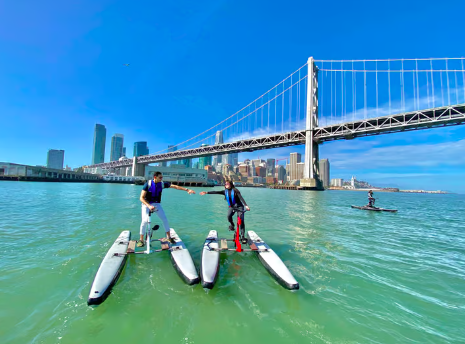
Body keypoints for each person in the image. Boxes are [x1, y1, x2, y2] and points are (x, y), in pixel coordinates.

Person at [138, 171, 195, 247]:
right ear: (155, 177)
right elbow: (141, 198)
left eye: (162, 177)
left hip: (156, 204)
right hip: (146, 204)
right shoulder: (147, 184)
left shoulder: (162, 184)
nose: (162, 178)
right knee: (144, 221)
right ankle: (141, 240)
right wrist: (149, 206)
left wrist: (187, 190)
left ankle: (169, 237)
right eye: (160, 177)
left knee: (164, 219)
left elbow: (175, 186)